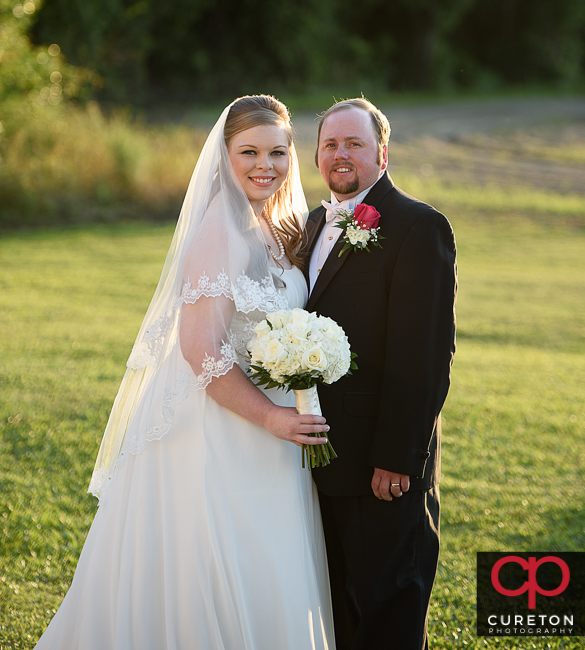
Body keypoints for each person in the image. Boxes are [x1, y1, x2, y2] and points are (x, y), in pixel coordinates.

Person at [34, 95, 335, 650]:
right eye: (249, 152)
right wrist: (270, 415)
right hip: (218, 431)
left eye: (277, 151)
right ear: (224, 156)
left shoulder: (275, 225)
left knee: (267, 557)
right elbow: (201, 351)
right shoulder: (219, 229)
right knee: (218, 565)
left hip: (270, 434)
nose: (264, 165)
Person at [304, 98, 457, 650]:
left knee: (387, 608)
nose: (341, 154)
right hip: (318, 457)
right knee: (337, 607)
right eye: (330, 144)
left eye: (355, 144)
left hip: (379, 466)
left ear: (382, 154)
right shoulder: (313, 223)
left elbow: (426, 354)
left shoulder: (419, 226)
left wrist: (396, 458)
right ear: (317, 155)